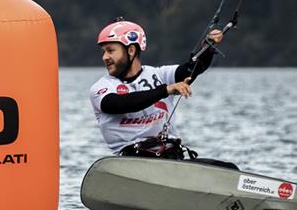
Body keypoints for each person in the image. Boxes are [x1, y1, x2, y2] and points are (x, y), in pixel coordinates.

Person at [89, 18, 231, 164]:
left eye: (110, 51)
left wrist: (207, 46)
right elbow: (117, 104)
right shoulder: (101, 88)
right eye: (104, 52)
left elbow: (191, 69)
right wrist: (165, 90)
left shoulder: (160, 74)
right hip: (132, 162)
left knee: (229, 168)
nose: (105, 57)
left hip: (171, 160)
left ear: (131, 50)